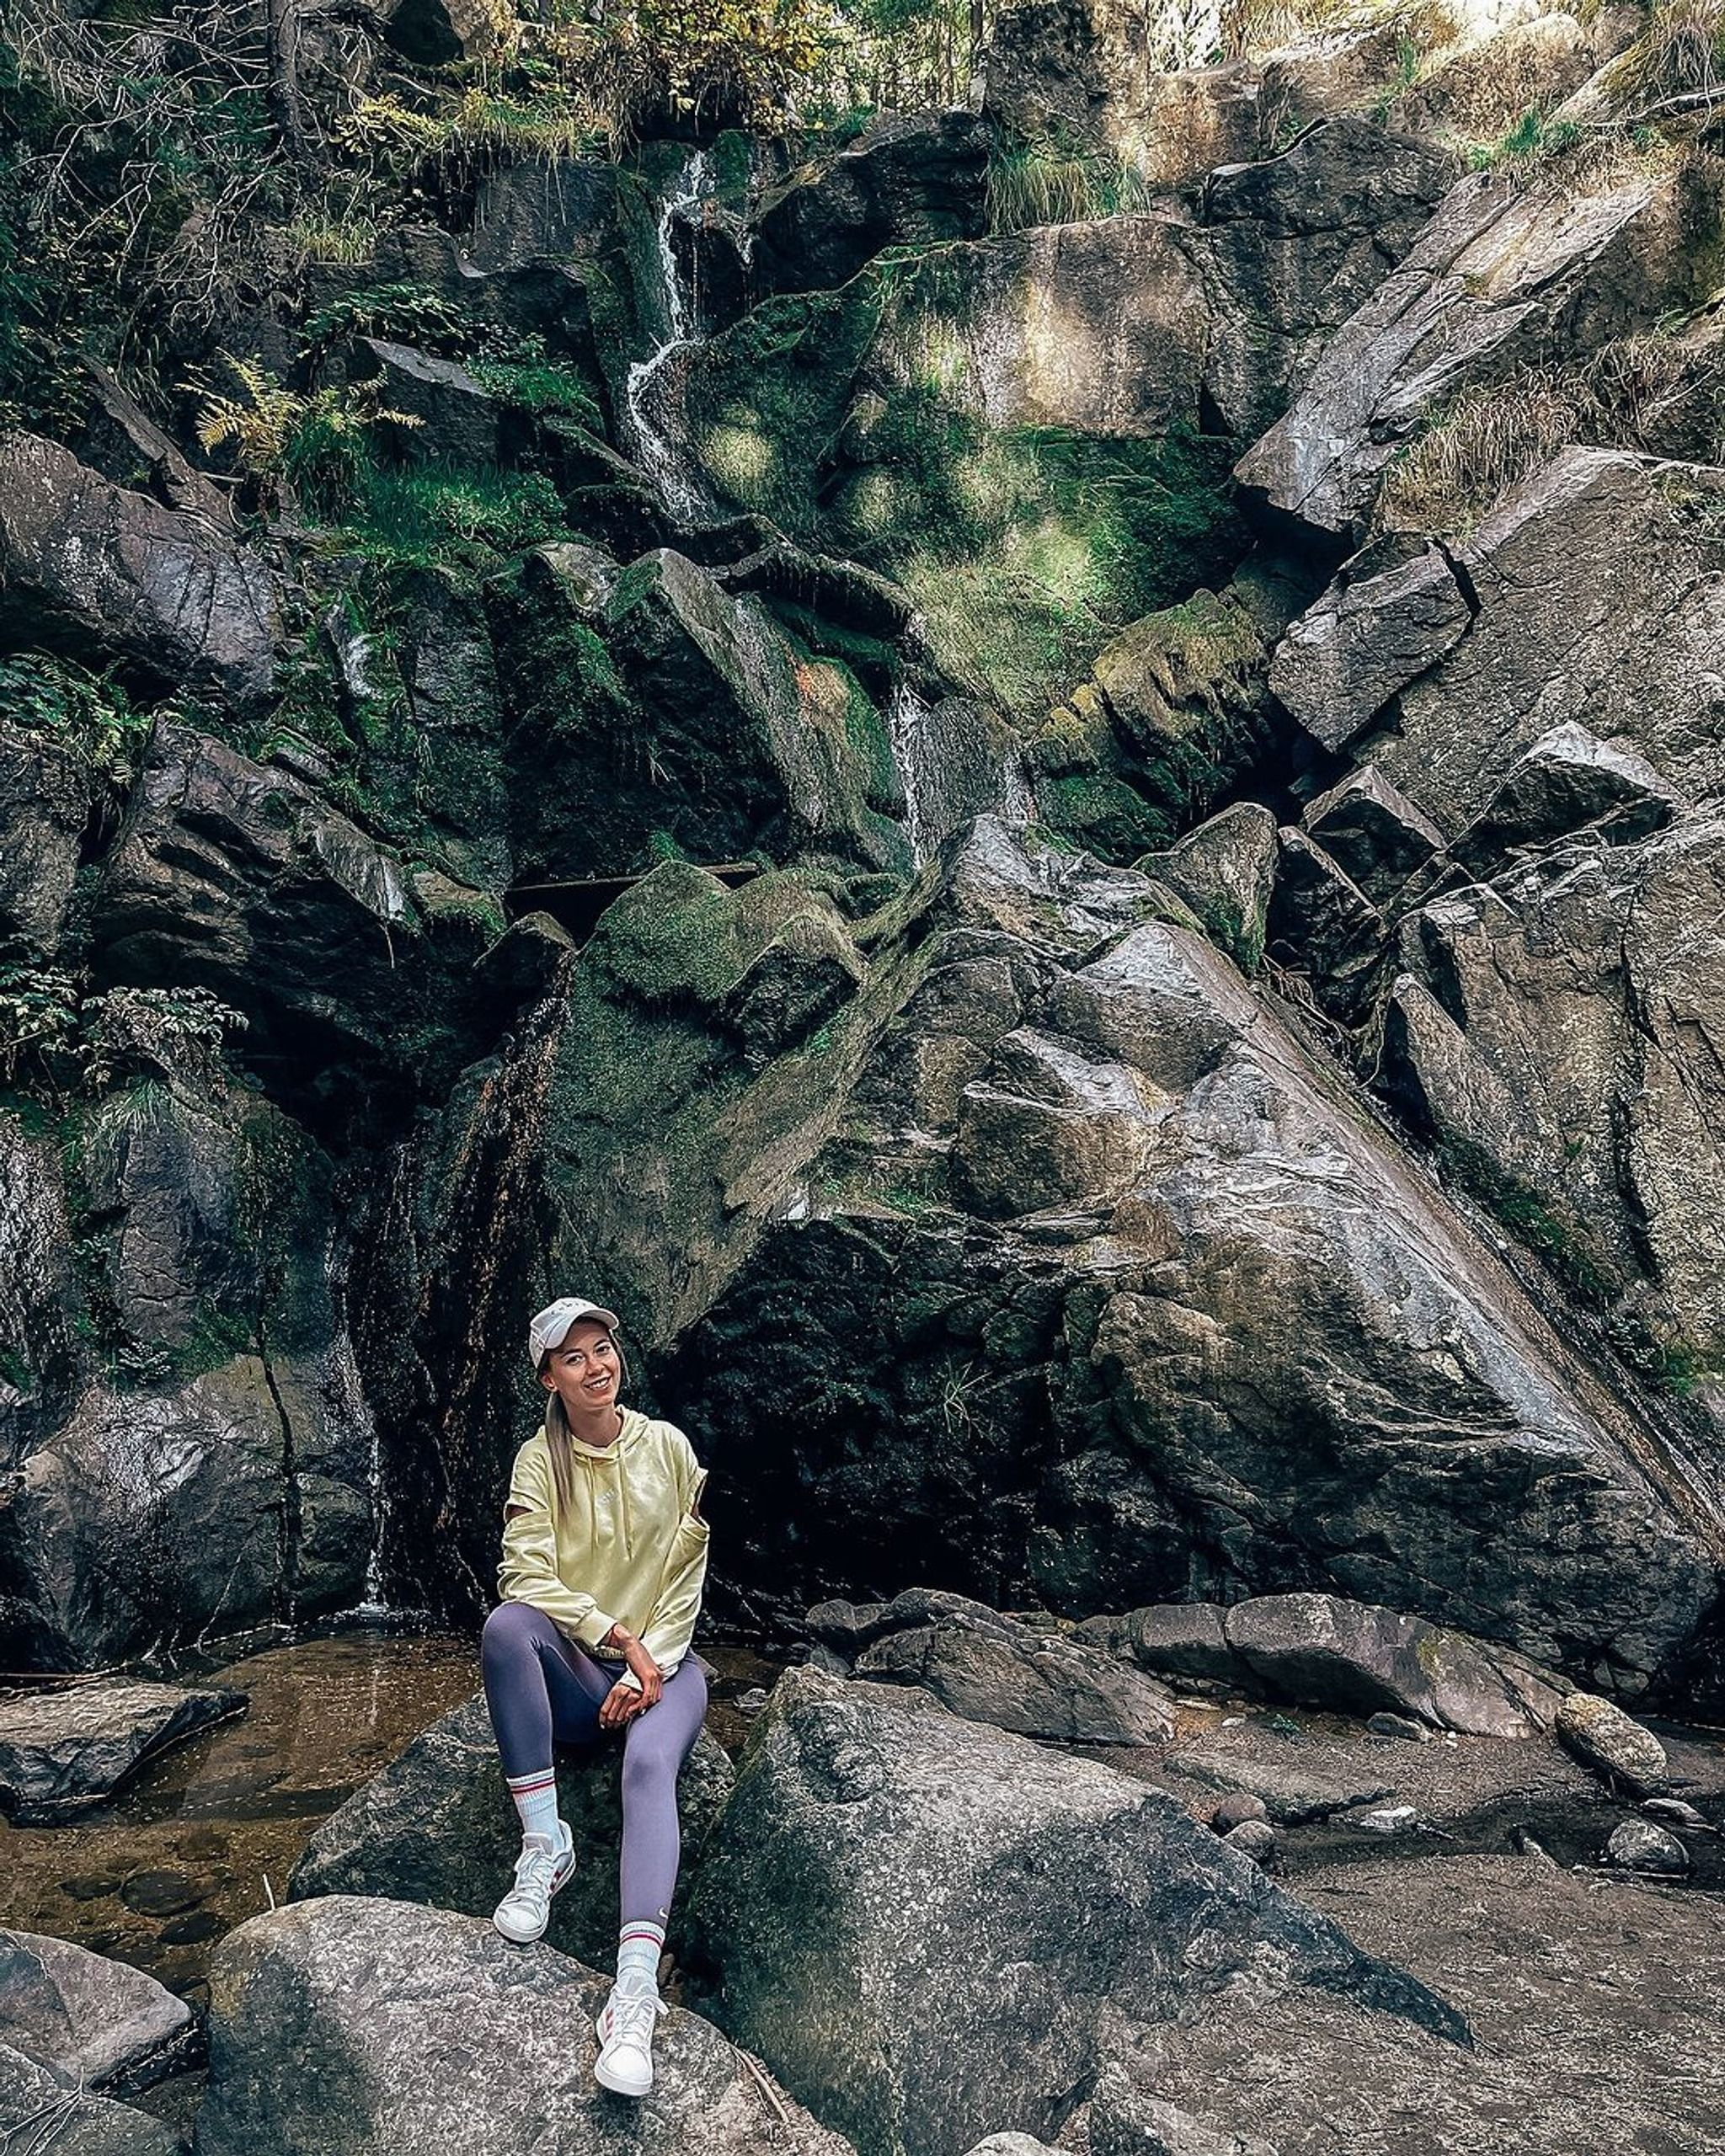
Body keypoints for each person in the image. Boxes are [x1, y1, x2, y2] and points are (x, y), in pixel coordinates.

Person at [480, 1294, 711, 2098]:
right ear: (549, 1377)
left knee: (648, 1768)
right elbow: (523, 1576)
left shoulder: (670, 1448)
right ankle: (547, 1845)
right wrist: (617, 1640)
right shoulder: (538, 1462)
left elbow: (685, 1577)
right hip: (588, 1672)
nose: (595, 1367)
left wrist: (654, 1667)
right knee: (508, 1628)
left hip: (670, 1671)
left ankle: (634, 1994)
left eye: (602, 1349)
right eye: (572, 1358)